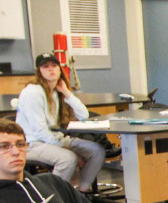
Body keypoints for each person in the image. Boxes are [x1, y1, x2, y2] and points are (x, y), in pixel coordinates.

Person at [15, 53, 105, 192]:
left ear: (59, 69)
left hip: (54, 139)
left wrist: (66, 92)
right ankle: (52, 198)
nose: (51, 69)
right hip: (32, 143)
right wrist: (66, 148)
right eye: (45, 66)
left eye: (54, 66)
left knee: (96, 150)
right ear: (39, 71)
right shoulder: (33, 92)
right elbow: (40, 131)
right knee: (67, 158)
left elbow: (83, 115)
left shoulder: (56, 91)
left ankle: (81, 193)